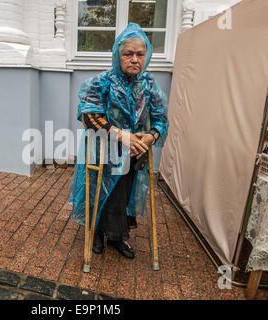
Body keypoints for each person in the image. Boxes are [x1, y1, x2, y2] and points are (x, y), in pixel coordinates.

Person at [67, 23, 169, 259]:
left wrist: (151, 136)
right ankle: (96, 234)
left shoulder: (149, 84)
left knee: (122, 196)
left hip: (134, 153)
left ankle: (117, 236)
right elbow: (88, 115)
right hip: (104, 151)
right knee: (99, 192)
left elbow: (161, 119)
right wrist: (120, 134)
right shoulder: (102, 82)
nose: (134, 59)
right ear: (118, 55)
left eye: (140, 54)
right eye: (128, 54)